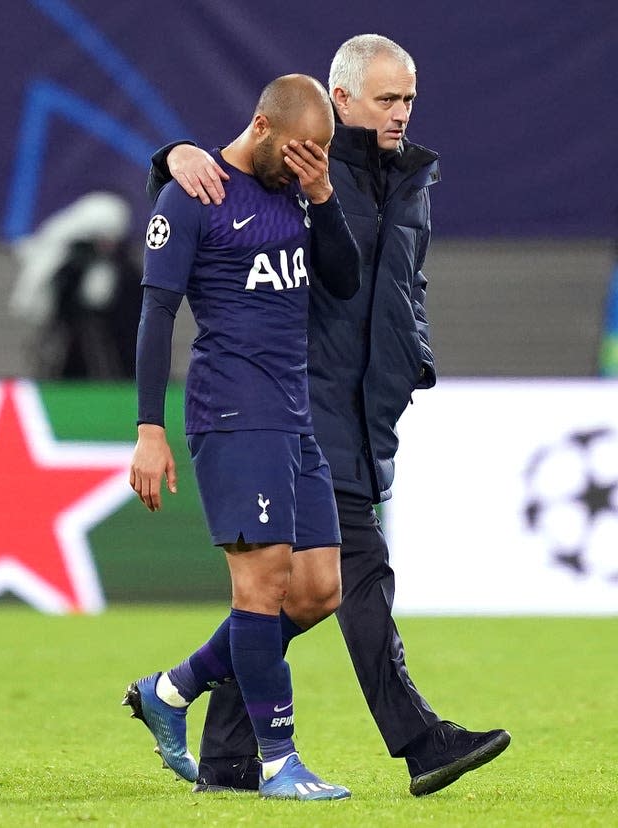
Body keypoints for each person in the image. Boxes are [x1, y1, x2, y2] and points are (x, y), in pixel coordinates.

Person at [147, 34, 511, 797]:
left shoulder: (400, 179)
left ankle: (195, 713)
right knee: (345, 576)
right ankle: (411, 743)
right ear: (341, 99)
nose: (401, 112)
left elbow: (378, 285)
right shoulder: (303, 162)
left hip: (357, 408)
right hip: (283, 406)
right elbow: (224, 172)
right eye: (386, 97)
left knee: (309, 592)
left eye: (409, 97)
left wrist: (411, 358)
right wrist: (174, 150)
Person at [123, 73, 361, 801]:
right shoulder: (190, 193)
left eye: (319, 154)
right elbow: (157, 313)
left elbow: (344, 282)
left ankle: (172, 689)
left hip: (293, 417)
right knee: (260, 588)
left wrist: (323, 197)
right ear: (262, 126)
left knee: (317, 591)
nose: (307, 163)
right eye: (300, 150)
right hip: (232, 413)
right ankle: (277, 764)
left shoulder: (298, 191)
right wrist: (148, 430)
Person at [9, 192, 141, 379]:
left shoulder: (124, 271)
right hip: (72, 348)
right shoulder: (69, 268)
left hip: (119, 350)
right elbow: (39, 304)